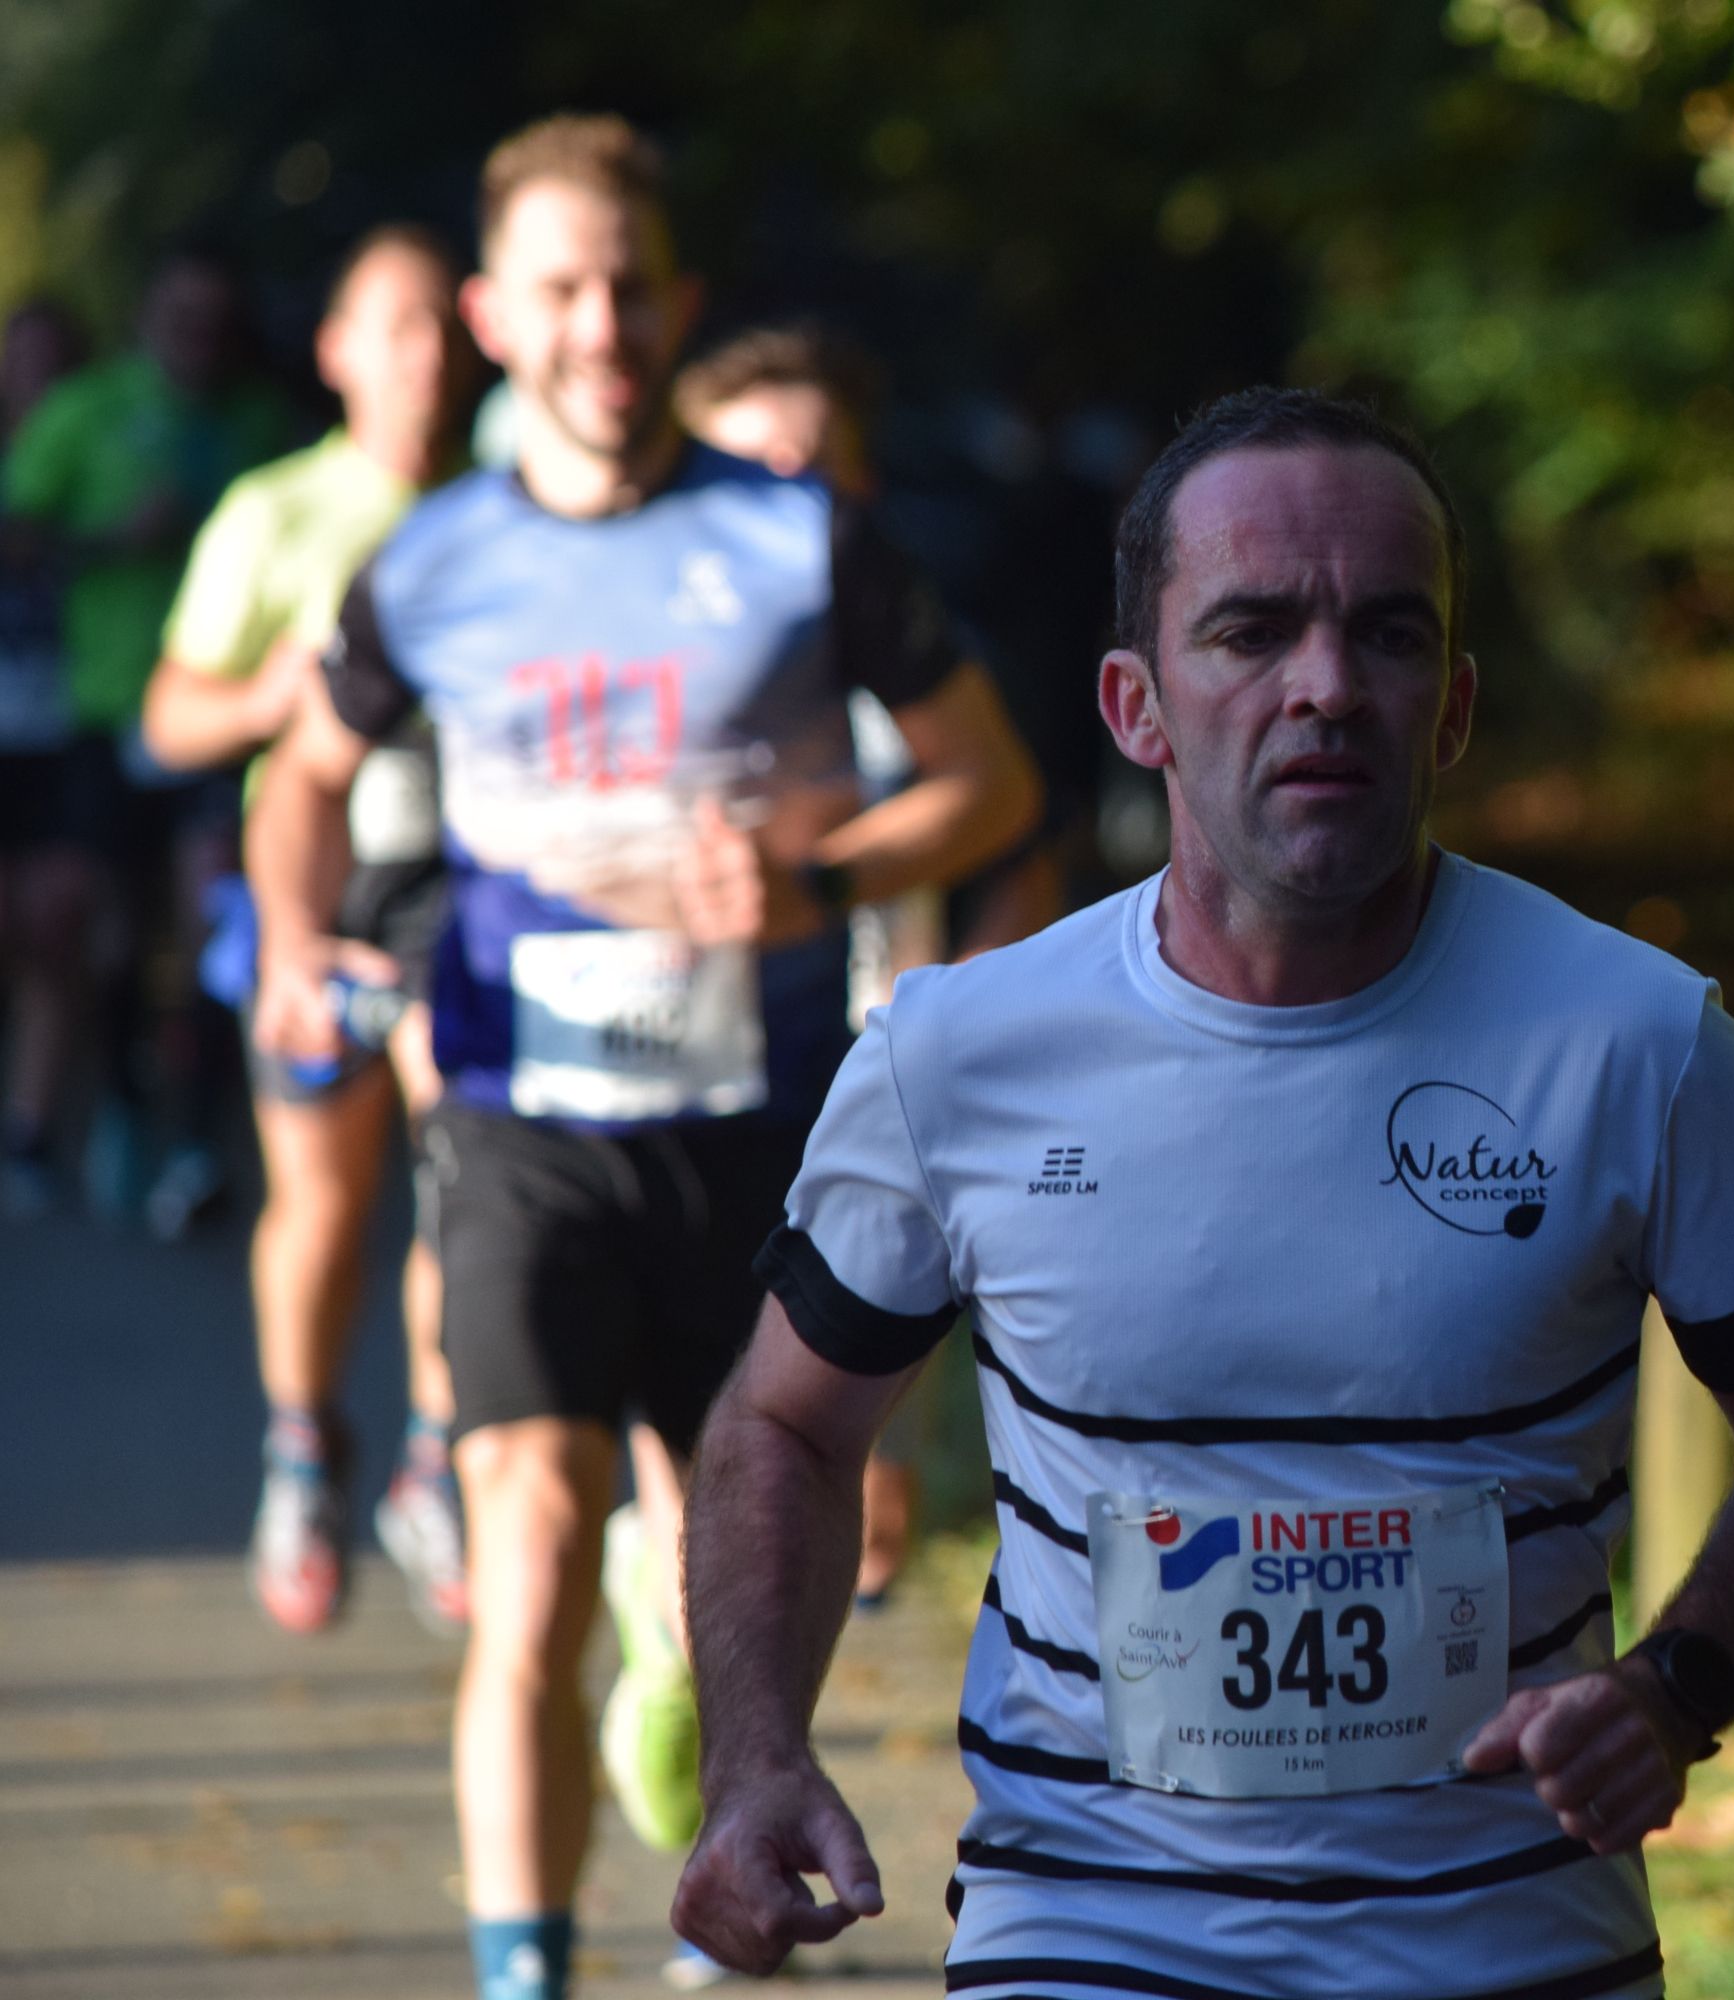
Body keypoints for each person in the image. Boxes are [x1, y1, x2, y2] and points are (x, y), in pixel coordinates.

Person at [670, 387, 1734, 1999]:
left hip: (1507, 1945)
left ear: (1452, 708)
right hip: (1092, 1933)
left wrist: (1678, 1687)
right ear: (1136, 705)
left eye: (1389, 635)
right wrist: (753, 1759)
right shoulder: (959, 1057)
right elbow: (782, 1427)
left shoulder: (1637, 1044)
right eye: (1252, 633)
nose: (1325, 685)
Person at [246, 115, 1040, 2000]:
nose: (598, 325)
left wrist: (811, 879)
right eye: (560, 289)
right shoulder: (434, 559)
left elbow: (989, 785)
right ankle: (523, 1970)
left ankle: (727, 1894)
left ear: (678, 306)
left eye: (629, 286)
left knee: (728, 1604)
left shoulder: (796, 536)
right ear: (493, 316)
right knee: (528, 1548)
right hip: (524, 1130)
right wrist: (292, 938)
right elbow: (303, 780)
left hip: (758, 1139)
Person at [141, 225, 477, 1635]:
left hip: (464, 879)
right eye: (391, 325)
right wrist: (274, 695)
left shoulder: (510, 502)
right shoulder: (273, 511)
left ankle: (437, 1461)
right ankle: (303, 1447)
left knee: (465, 1172)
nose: (423, 355)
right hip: (317, 877)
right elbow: (169, 717)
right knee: (326, 1201)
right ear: (337, 350)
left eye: (441, 324)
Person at [674, 324, 934, 1610]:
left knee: (850, 1454)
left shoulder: (926, 665)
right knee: (692, 1406)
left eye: (812, 465)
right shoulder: (648, 674)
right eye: (749, 468)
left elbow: (1013, 839)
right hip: (677, 1079)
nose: (784, 497)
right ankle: (672, 1627)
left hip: (871, 1074)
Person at [1, 243, 297, 1234]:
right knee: (114, 926)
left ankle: (196, 1141)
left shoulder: (256, 421)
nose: (198, 339)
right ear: (147, 321)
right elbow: (16, 529)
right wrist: (111, 540)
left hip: (222, 714)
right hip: (107, 708)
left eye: (215, 323)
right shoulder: (87, 409)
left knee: (212, 915)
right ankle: (125, 1100)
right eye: (182, 319)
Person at [0, 299, 90, 1216]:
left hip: (67, 723)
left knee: (54, 925)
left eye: (52, 362)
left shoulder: (99, 458)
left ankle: (29, 1131)